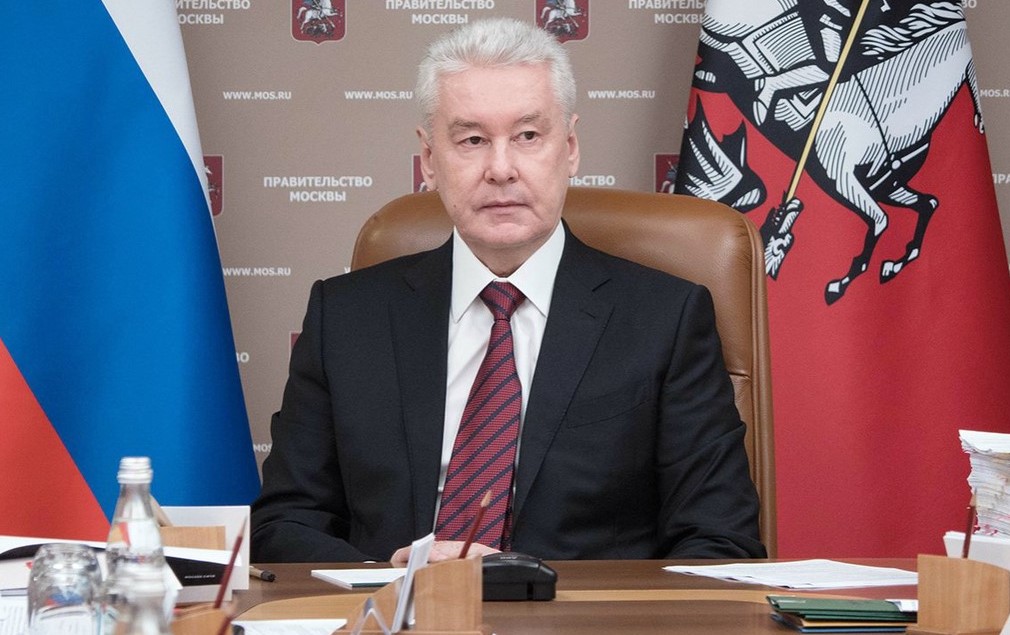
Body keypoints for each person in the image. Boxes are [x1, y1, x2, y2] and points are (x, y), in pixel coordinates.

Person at [250, 17, 766, 564]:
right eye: (472, 140)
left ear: (570, 147)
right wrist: (389, 579)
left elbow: (721, 543)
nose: (501, 169)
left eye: (527, 136)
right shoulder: (346, 318)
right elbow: (284, 523)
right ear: (429, 159)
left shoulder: (665, 319)